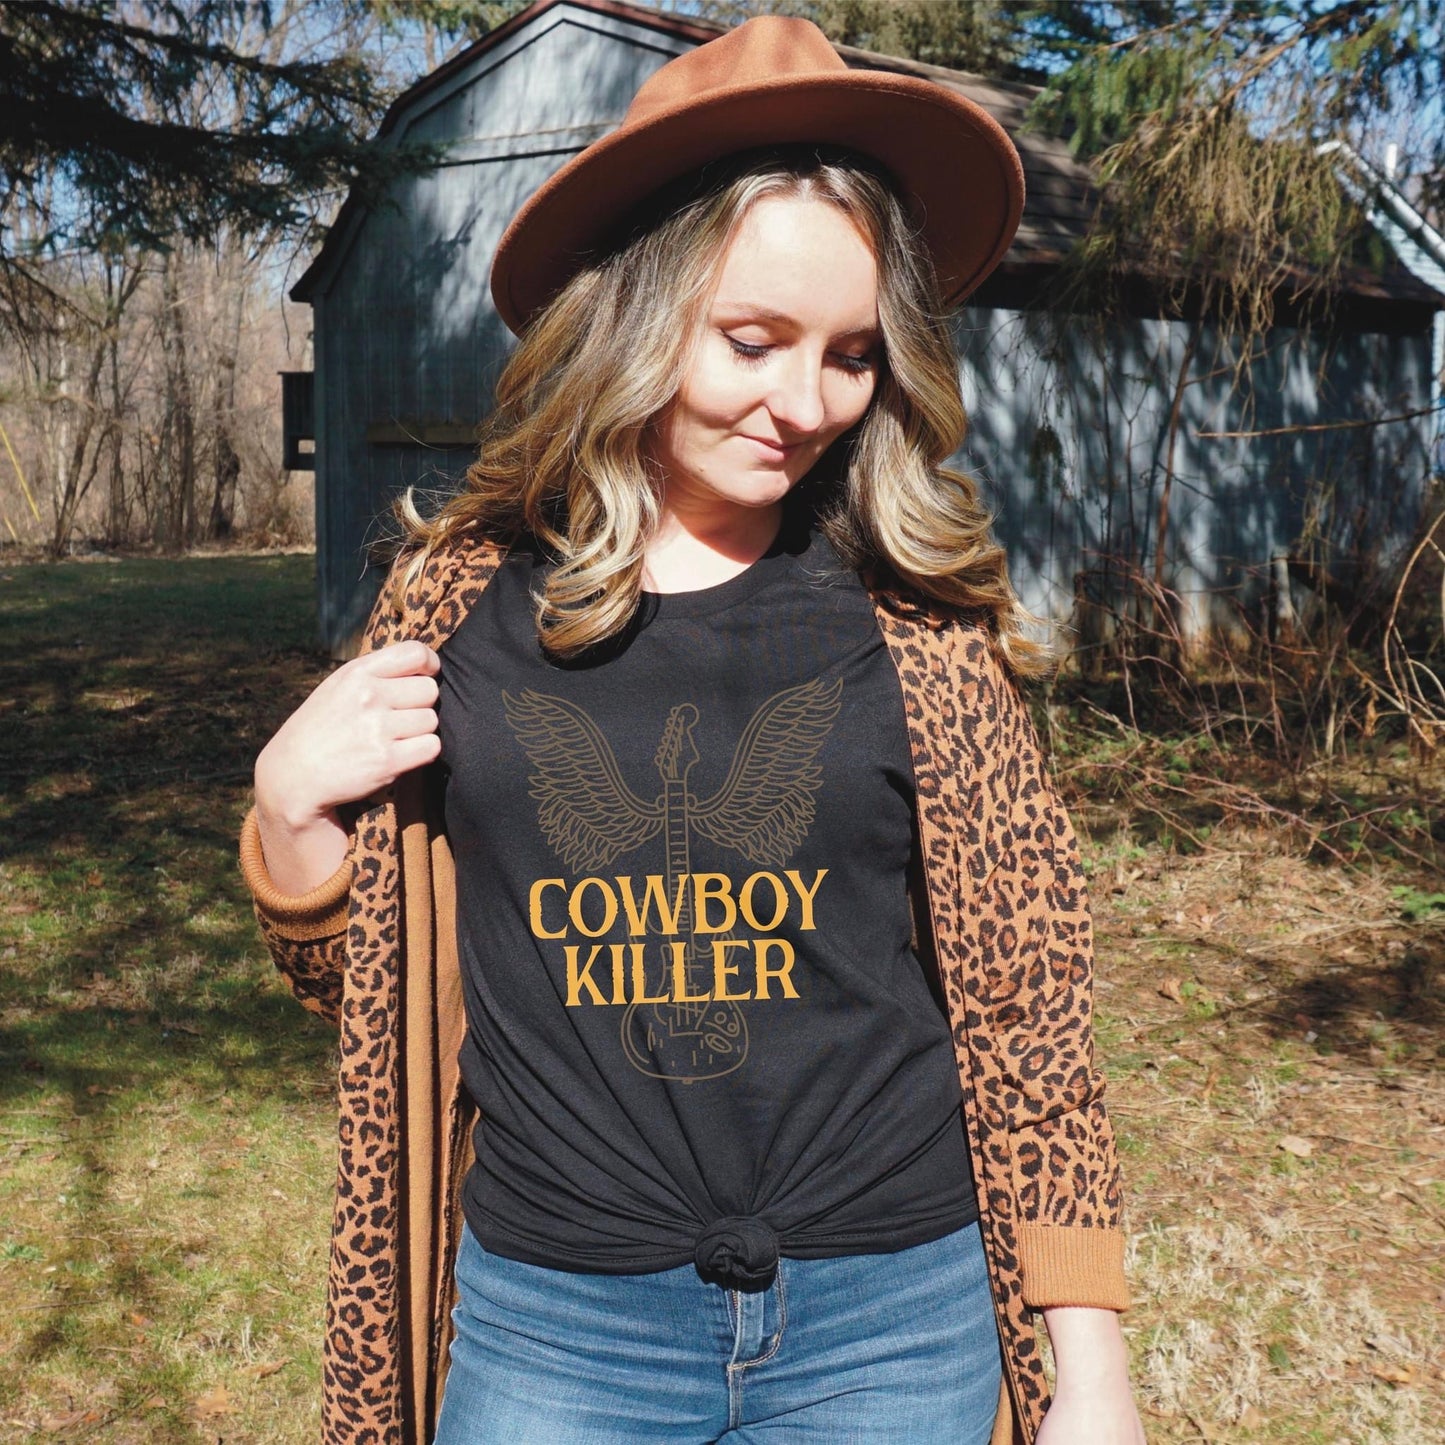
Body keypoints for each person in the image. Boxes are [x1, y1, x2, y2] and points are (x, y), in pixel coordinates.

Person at [239, 15, 1145, 1445]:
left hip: (892, 1321)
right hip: (557, 1328)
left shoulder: (918, 629)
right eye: (752, 341)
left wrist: (1090, 1372)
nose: (803, 405)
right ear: (633, 314)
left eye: (852, 355)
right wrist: (288, 815)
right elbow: (374, 995)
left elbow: (1031, 1011)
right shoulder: (457, 605)